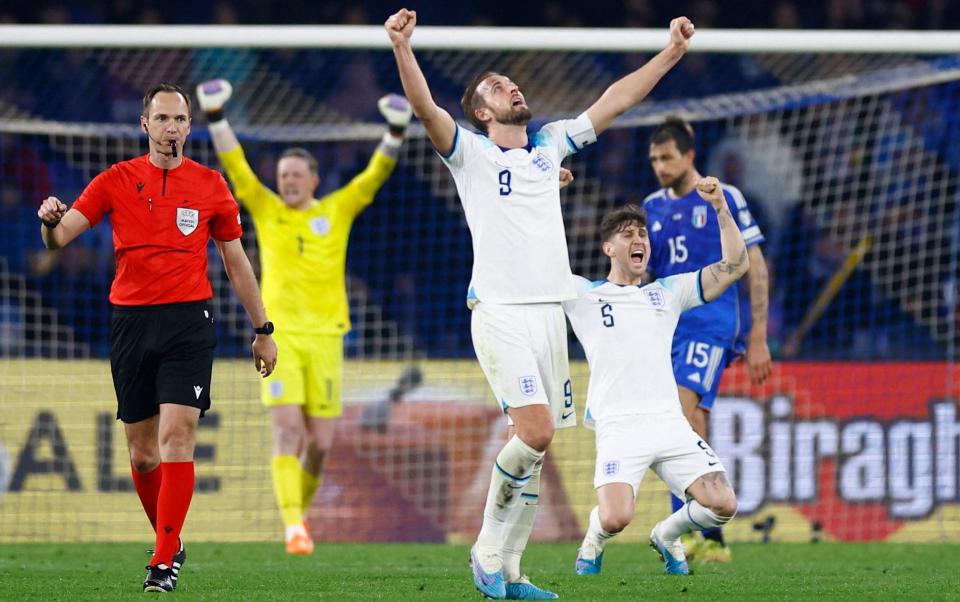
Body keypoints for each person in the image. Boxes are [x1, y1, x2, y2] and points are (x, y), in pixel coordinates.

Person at [384, 8, 695, 599]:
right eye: (497, 87)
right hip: (500, 311)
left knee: (532, 449)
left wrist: (671, 54)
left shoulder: (551, 146)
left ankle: (512, 572)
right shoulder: (469, 153)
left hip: (551, 314)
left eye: (512, 83)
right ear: (482, 111)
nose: (512, 88)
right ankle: (486, 552)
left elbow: (615, 100)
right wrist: (403, 48)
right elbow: (426, 108)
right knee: (534, 431)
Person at [36, 83, 278, 593]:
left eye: (180, 119)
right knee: (144, 455)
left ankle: (162, 562)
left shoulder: (211, 184)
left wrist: (262, 330)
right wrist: (49, 222)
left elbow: (236, 262)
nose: (172, 127)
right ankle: (172, 541)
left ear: (191, 126)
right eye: (162, 118)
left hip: (189, 323)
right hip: (130, 323)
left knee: (177, 436)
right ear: (145, 125)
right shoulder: (115, 180)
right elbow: (61, 238)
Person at [195, 79, 413, 554]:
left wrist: (395, 132)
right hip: (281, 338)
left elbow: (373, 176)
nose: (287, 181)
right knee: (288, 431)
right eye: (283, 174)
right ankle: (293, 526)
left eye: (297, 175)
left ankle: (300, 517)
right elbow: (237, 167)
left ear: (315, 180)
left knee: (319, 444)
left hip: (328, 339)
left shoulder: (336, 211)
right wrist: (216, 117)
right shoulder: (267, 211)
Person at [565, 179, 744, 577]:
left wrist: (720, 209)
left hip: (668, 422)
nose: (638, 239)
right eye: (627, 235)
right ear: (608, 248)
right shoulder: (582, 295)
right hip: (618, 426)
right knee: (614, 519)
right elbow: (534, 266)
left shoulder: (668, 292)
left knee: (724, 504)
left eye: (642, 233)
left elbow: (736, 266)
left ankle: (666, 534)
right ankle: (593, 542)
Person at [643, 116, 772, 562]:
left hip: (712, 322)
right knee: (691, 421)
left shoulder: (723, 197)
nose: (660, 166)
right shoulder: (651, 207)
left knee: (681, 410)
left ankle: (689, 526)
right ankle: (704, 530)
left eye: (668, 157)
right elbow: (647, 274)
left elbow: (753, 262)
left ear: (690, 155)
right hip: (668, 326)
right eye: (655, 159)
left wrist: (758, 337)